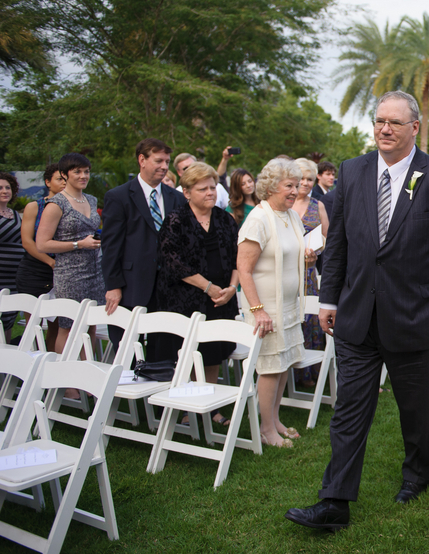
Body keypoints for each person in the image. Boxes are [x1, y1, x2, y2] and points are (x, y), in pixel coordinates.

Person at [284, 91, 429, 531]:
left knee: (415, 408)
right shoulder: (352, 171)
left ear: (415, 128)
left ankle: (418, 473)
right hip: (357, 316)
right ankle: (334, 502)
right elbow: (338, 241)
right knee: (350, 408)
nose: (384, 129)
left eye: (394, 122)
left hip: (416, 315)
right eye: (379, 121)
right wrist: (328, 299)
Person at [156, 163, 239, 426]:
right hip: (185, 299)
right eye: (202, 189)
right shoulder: (176, 220)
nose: (210, 192)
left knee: (213, 353)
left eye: (213, 187)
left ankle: (211, 408)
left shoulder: (225, 219)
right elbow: (173, 262)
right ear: (187, 192)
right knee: (188, 353)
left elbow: (238, 259)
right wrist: (208, 287)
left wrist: (232, 288)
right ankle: (185, 408)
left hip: (221, 299)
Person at [236, 158, 307, 448]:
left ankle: (274, 419)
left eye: (297, 185)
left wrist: (307, 256)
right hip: (266, 309)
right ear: (271, 186)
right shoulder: (258, 219)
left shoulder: (291, 216)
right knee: (270, 367)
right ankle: (266, 429)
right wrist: (258, 310)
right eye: (289, 185)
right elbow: (244, 269)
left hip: (288, 306)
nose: (295, 191)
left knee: (284, 364)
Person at [102, 139, 183, 359]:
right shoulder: (118, 197)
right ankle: (126, 382)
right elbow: (111, 246)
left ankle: (158, 379)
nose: (164, 166)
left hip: (168, 288)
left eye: (167, 162)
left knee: (164, 352)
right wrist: (114, 285)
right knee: (126, 351)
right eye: (158, 161)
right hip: (131, 285)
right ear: (142, 160)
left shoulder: (176, 198)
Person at [35, 153, 104, 353]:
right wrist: (78, 244)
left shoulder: (91, 200)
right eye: (77, 172)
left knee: (91, 324)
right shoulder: (57, 204)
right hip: (70, 273)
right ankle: (64, 372)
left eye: (86, 172)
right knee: (68, 326)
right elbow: (42, 244)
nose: (83, 176)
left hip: (95, 271)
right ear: (64, 174)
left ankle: (86, 368)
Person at [16, 163, 66, 349]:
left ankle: (50, 362)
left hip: (62, 271)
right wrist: (50, 262)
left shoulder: (72, 207)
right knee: (33, 326)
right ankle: (27, 363)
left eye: (66, 179)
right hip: (34, 270)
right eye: (59, 179)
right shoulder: (34, 206)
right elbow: (27, 241)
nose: (64, 183)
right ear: (47, 182)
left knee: (57, 325)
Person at [291, 157, 329, 387]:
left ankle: (310, 373)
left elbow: (326, 236)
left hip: (308, 272)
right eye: (301, 178)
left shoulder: (318, 205)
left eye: (309, 179)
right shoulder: (283, 204)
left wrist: (316, 249)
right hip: (286, 272)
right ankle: (289, 373)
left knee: (310, 319)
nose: (305, 183)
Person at [0, 171, 25, 341]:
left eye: (8, 187)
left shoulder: (15, 214)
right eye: (0, 188)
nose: (4, 191)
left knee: (8, 319)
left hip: (14, 276)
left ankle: (6, 353)